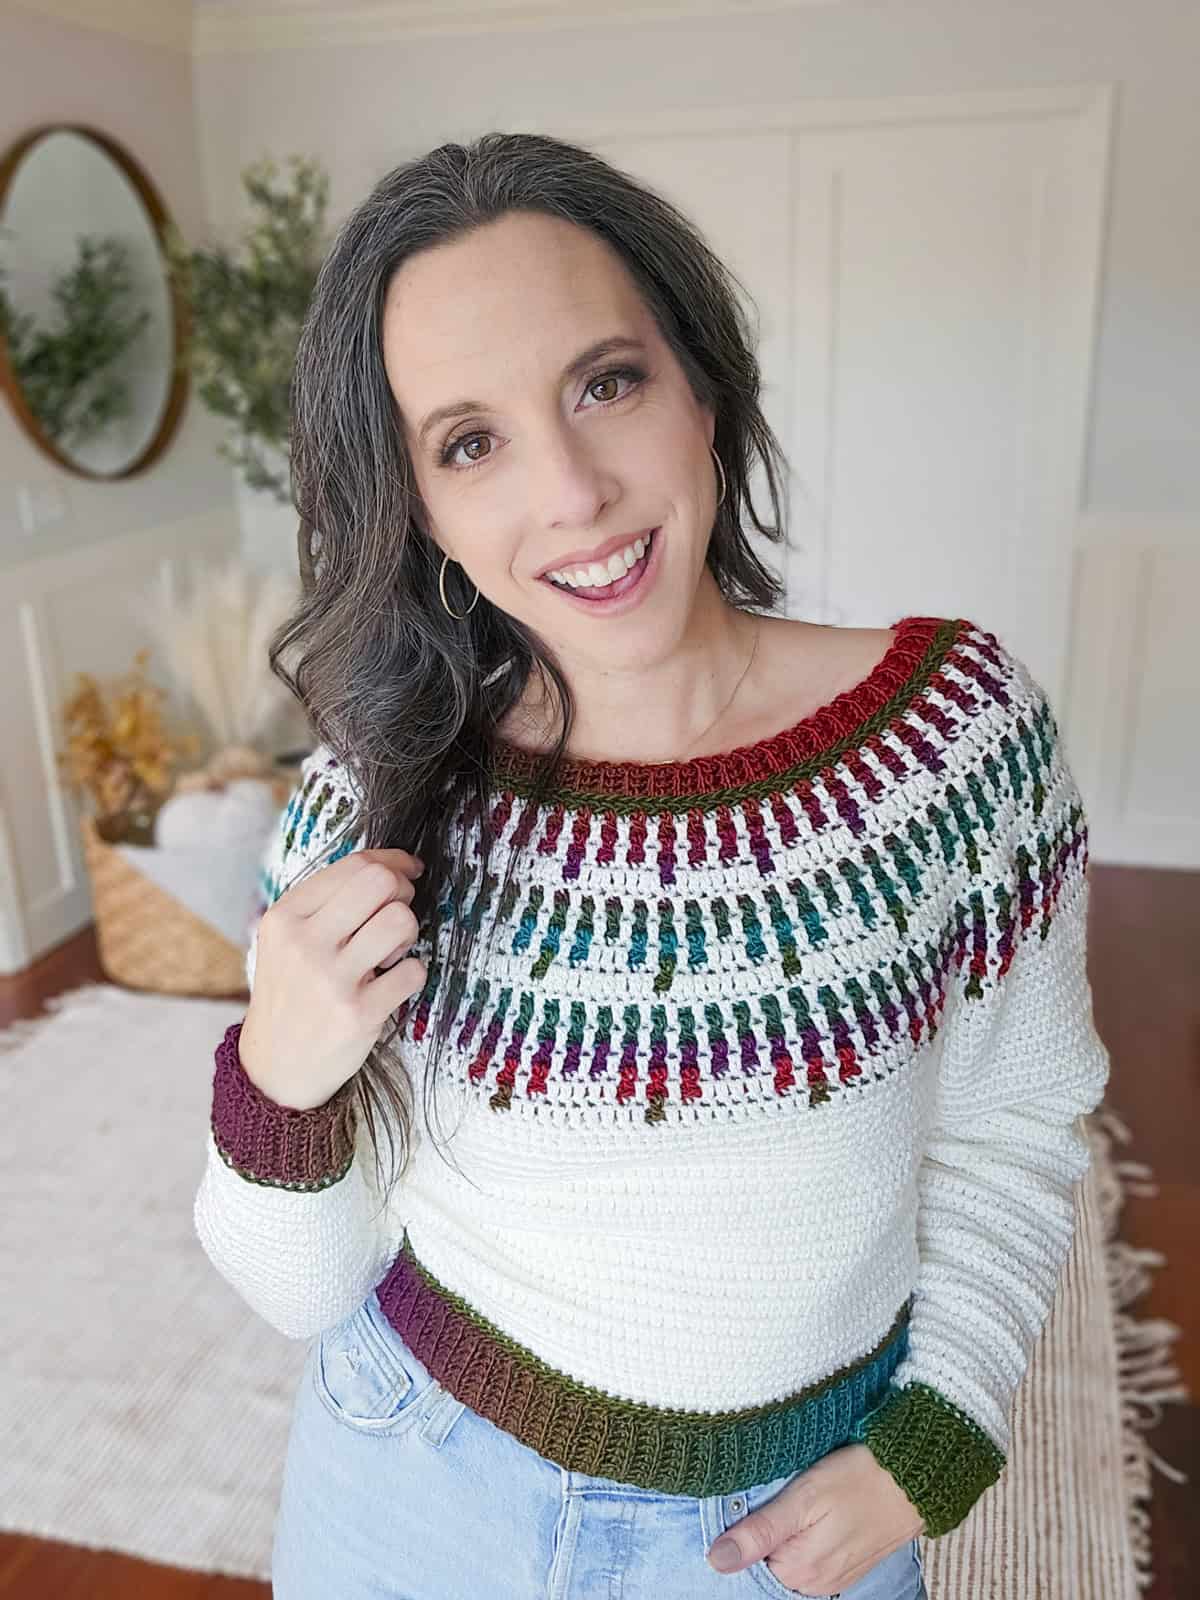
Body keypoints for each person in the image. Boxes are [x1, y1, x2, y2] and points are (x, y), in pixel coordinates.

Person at [194, 131, 1111, 1600]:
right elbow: (298, 1286)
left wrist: (933, 1442)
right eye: (470, 442)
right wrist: (279, 1075)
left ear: (701, 389)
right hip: (407, 1492)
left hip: (777, 1540)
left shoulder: (952, 739)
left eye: (605, 383)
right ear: (419, 510)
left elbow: (1015, 1122)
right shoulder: (368, 805)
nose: (572, 491)